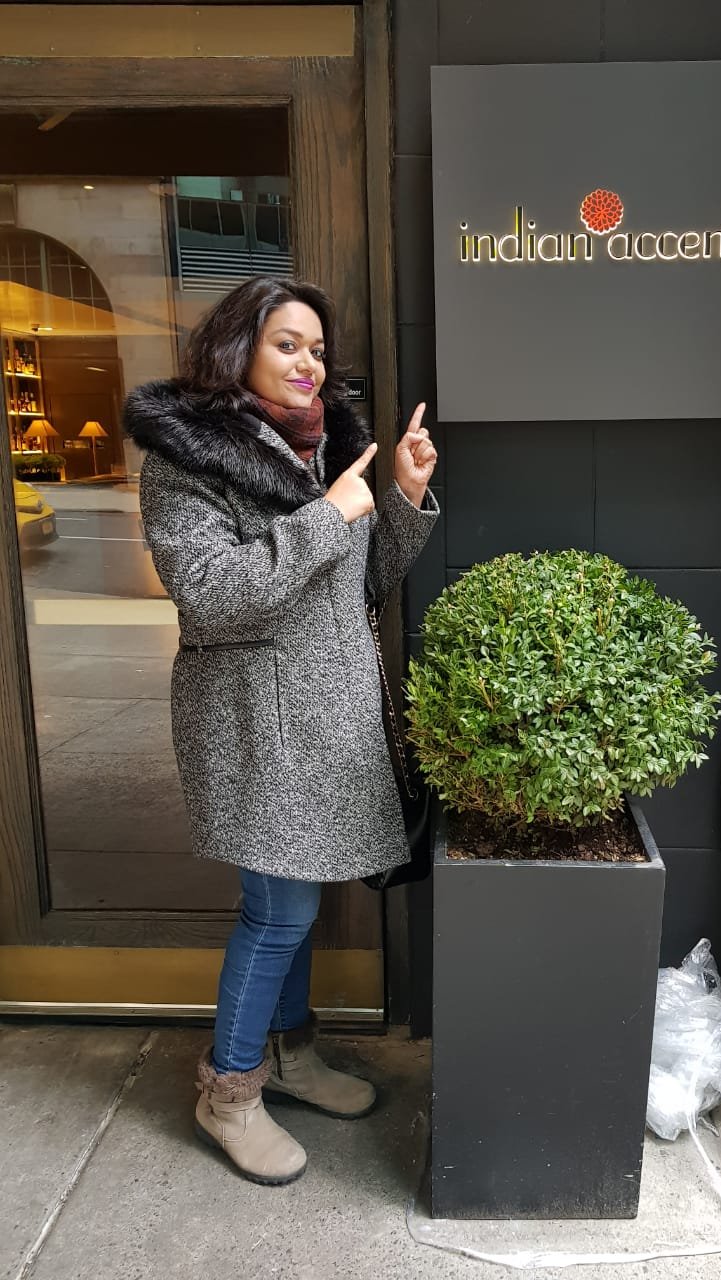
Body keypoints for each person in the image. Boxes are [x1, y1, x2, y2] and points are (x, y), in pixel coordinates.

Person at [123, 277, 438, 1186]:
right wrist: (328, 514)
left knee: (297, 903)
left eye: (317, 349)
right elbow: (213, 596)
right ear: (239, 350)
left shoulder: (322, 446)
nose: (310, 365)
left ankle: (291, 1058)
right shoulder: (186, 459)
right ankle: (229, 1093)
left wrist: (401, 496)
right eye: (287, 345)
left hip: (327, 715)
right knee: (280, 911)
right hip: (254, 722)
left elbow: (359, 582)